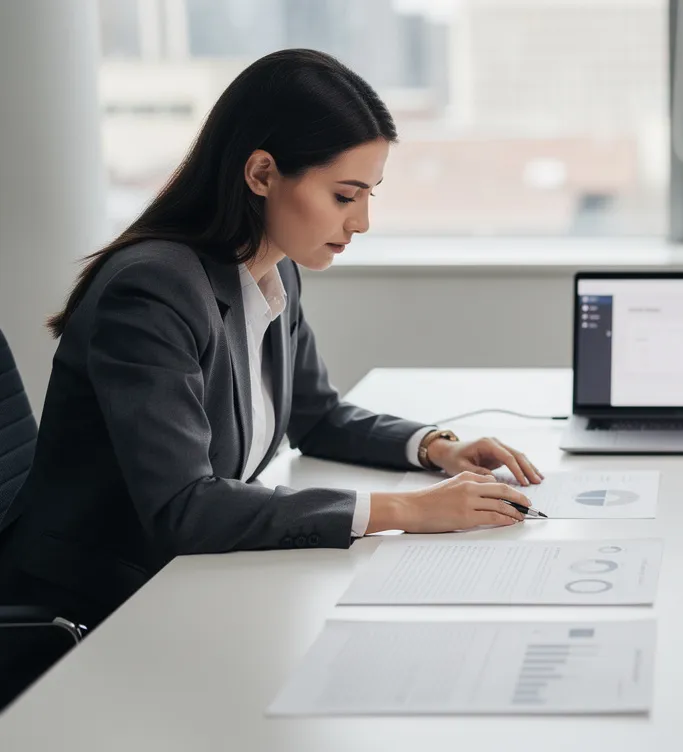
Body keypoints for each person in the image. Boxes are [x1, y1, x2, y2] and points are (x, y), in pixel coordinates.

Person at [0, 49, 545, 643]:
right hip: (94, 608)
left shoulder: (274, 270)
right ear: (261, 174)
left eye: (370, 194)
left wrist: (438, 449)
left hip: (189, 584)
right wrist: (408, 512)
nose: (361, 221)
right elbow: (185, 508)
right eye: (344, 195)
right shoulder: (152, 290)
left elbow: (318, 417)